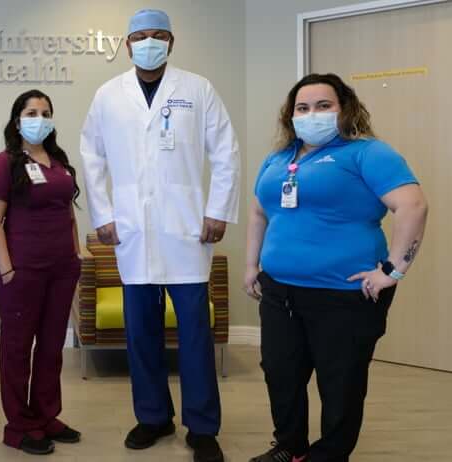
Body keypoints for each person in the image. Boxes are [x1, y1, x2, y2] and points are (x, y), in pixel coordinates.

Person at [80, 9, 240, 462]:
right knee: (141, 332)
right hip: (131, 229)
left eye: (157, 35)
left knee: (194, 333)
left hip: (188, 227)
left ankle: (203, 427)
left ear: (171, 40)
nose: (148, 43)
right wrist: (104, 212)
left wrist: (217, 209)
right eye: (140, 37)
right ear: (127, 45)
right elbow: (91, 154)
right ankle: (152, 417)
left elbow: (225, 151)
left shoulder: (197, 88)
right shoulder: (108, 94)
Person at [244, 73, 429, 462]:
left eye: (323, 105)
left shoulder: (367, 152)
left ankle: (330, 454)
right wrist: (251, 265)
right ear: (290, 115)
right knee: (281, 374)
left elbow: (412, 206)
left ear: (344, 109)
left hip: (344, 296)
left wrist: (392, 271)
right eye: (303, 108)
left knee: (340, 383)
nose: (312, 114)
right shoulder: (278, 159)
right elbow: (260, 212)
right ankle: (290, 447)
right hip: (279, 291)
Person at [0, 89, 83, 455]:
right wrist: (7, 270)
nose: (39, 118)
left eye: (45, 112)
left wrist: (74, 254)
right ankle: (19, 425)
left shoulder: (58, 160)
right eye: (31, 112)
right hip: (22, 271)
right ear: (17, 120)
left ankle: (45, 416)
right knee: (17, 349)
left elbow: (68, 211)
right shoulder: (5, 162)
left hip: (61, 270)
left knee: (51, 348)